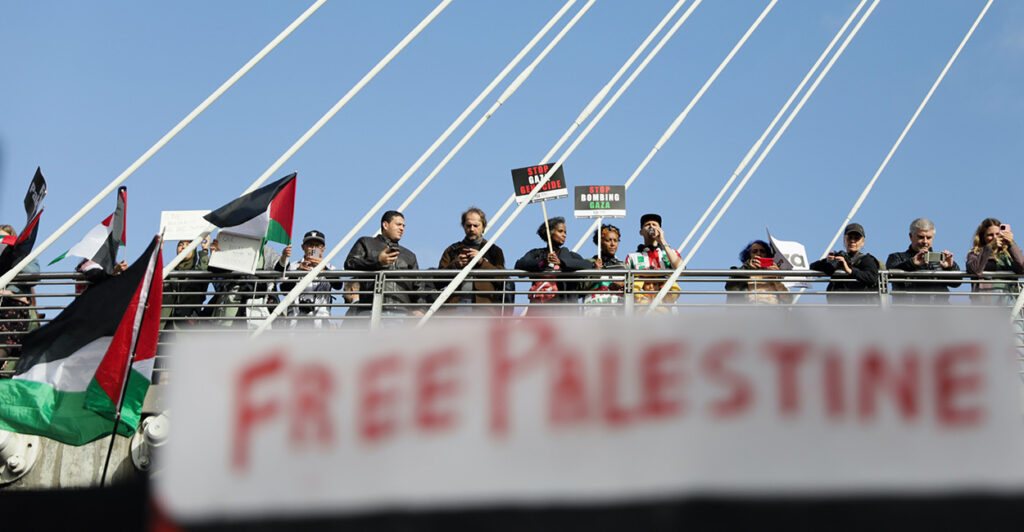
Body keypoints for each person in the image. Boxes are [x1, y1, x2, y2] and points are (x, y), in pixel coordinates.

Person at [344, 210, 427, 321]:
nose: (402, 228)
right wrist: (377, 261)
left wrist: (420, 308)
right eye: (398, 224)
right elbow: (350, 263)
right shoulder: (366, 243)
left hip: (400, 313)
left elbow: (418, 285)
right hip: (369, 310)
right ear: (385, 225)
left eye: (403, 226)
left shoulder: (409, 255)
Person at [206, 237, 291, 328]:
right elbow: (216, 270)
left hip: (257, 303)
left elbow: (280, 269)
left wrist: (284, 257)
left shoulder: (267, 251)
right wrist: (216, 254)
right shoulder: (232, 246)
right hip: (231, 302)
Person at [437, 207, 506, 314]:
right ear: (464, 226)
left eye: (476, 225)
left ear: (483, 226)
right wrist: (455, 265)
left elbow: (503, 279)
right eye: (468, 225)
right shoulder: (452, 250)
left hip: (484, 309)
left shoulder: (494, 251)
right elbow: (437, 281)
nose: (472, 229)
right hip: (455, 309)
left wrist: (482, 262)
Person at [515, 216, 592, 311]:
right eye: (560, 231)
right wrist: (543, 262)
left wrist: (561, 262)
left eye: (565, 232)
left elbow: (587, 265)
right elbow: (519, 265)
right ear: (550, 233)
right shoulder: (536, 253)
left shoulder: (570, 255)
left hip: (563, 310)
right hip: (539, 308)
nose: (564, 235)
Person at [886, 218, 961, 305]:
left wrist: (950, 267)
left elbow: (956, 283)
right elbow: (889, 275)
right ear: (911, 236)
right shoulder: (896, 257)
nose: (925, 241)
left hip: (939, 312)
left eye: (928, 238)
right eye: (921, 237)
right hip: (908, 312)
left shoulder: (941, 260)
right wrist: (911, 263)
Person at [280, 230, 344, 328]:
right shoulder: (293, 266)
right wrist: (298, 272)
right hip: (295, 320)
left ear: (323, 249)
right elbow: (284, 290)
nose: (313, 249)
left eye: (317, 245)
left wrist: (323, 269)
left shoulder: (330, 267)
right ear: (303, 247)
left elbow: (338, 285)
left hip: (320, 322)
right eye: (310, 245)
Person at [809, 223, 880, 305]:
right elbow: (811, 267)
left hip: (858, 308)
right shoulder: (838, 258)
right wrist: (827, 261)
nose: (852, 241)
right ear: (844, 240)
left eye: (856, 238)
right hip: (836, 308)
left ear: (863, 242)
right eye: (850, 238)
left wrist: (850, 271)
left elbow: (872, 277)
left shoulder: (866, 260)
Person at [0, 224, 40, 369]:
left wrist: (15, 252)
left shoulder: (21, 254)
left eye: (5, 238)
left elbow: (34, 274)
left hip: (13, 311)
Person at [626, 214, 683, 309]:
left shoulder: (671, 252)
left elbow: (681, 269)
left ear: (660, 230)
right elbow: (627, 282)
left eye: (655, 225)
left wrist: (662, 241)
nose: (651, 227)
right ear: (641, 232)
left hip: (667, 309)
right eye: (647, 225)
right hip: (641, 310)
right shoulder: (633, 257)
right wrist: (643, 274)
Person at [965, 218, 1023, 306]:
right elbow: (975, 269)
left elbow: (1022, 268)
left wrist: (1011, 244)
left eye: (997, 234)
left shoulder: (1008, 254)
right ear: (982, 237)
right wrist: (989, 248)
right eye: (990, 235)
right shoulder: (975, 253)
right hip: (987, 301)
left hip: (1010, 299)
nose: (995, 237)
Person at [161, 237, 211, 330]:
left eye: (188, 245)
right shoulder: (169, 272)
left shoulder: (197, 274)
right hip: (164, 329)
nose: (183, 247)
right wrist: (158, 250)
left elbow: (204, 271)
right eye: (180, 245)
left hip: (186, 331)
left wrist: (204, 250)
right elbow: (155, 276)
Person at [725, 240, 792, 305]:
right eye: (754, 251)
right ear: (749, 255)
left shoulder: (773, 273)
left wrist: (777, 279)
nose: (758, 254)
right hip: (750, 311)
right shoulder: (741, 272)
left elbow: (788, 299)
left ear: (767, 255)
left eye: (762, 251)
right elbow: (731, 288)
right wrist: (747, 268)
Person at [582, 223, 626, 314]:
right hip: (592, 314)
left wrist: (623, 284)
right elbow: (580, 287)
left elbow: (633, 288)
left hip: (617, 315)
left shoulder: (623, 266)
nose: (613, 244)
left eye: (615, 240)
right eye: (608, 240)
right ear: (600, 242)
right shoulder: (589, 262)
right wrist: (596, 272)